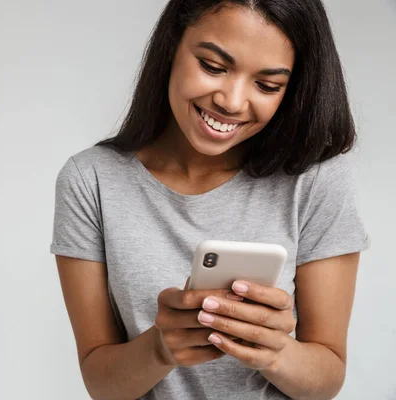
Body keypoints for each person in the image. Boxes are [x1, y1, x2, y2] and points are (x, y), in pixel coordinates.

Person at [50, 0, 369, 399]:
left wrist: (274, 353)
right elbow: (100, 382)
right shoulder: (91, 180)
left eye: (268, 85)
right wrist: (160, 348)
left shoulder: (315, 180)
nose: (232, 102)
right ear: (171, 47)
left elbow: (327, 379)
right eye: (213, 67)